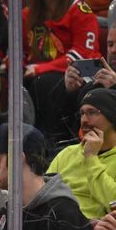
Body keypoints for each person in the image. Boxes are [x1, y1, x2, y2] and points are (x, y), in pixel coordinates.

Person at [23, 0, 100, 142]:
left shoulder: (81, 11)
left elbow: (81, 54)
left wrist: (40, 69)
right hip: (38, 77)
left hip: (84, 73)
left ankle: (52, 141)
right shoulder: (28, 14)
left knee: (44, 82)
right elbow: (21, 52)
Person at [48, 88, 116, 220]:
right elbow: (45, 194)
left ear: (112, 117)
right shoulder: (67, 154)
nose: (84, 120)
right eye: (82, 113)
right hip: (56, 227)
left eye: (92, 112)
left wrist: (91, 158)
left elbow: (113, 202)